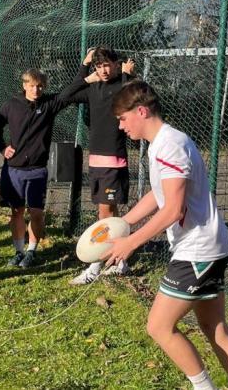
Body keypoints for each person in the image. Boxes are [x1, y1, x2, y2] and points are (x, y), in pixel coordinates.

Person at [101, 80, 228, 390]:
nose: (121, 126)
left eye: (123, 118)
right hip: (207, 247)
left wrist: (131, 242)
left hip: (197, 251)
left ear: (141, 111)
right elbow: (159, 195)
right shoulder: (163, 143)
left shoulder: (169, 144)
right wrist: (124, 224)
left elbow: (172, 210)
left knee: (159, 326)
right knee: (213, 326)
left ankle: (203, 387)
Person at [61, 46, 136, 284]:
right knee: (109, 214)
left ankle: (94, 265)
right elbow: (65, 96)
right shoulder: (93, 88)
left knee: (104, 215)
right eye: (98, 66)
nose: (103, 70)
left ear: (116, 64)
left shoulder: (123, 85)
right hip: (96, 161)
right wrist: (84, 70)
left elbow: (131, 100)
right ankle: (120, 262)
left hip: (114, 161)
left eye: (107, 65)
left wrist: (126, 75)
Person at [0, 69, 73, 268]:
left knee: (36, 213)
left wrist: (86, 71)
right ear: (24, 85)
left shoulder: (49, 104)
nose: (36, 89)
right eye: (32, 85)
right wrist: (2, 147)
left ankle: (31, 252)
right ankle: (18, 251)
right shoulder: (11, 105)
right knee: (16, 212)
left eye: (40, 86)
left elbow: (70, 92)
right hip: (14, 170)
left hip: (37, 170)